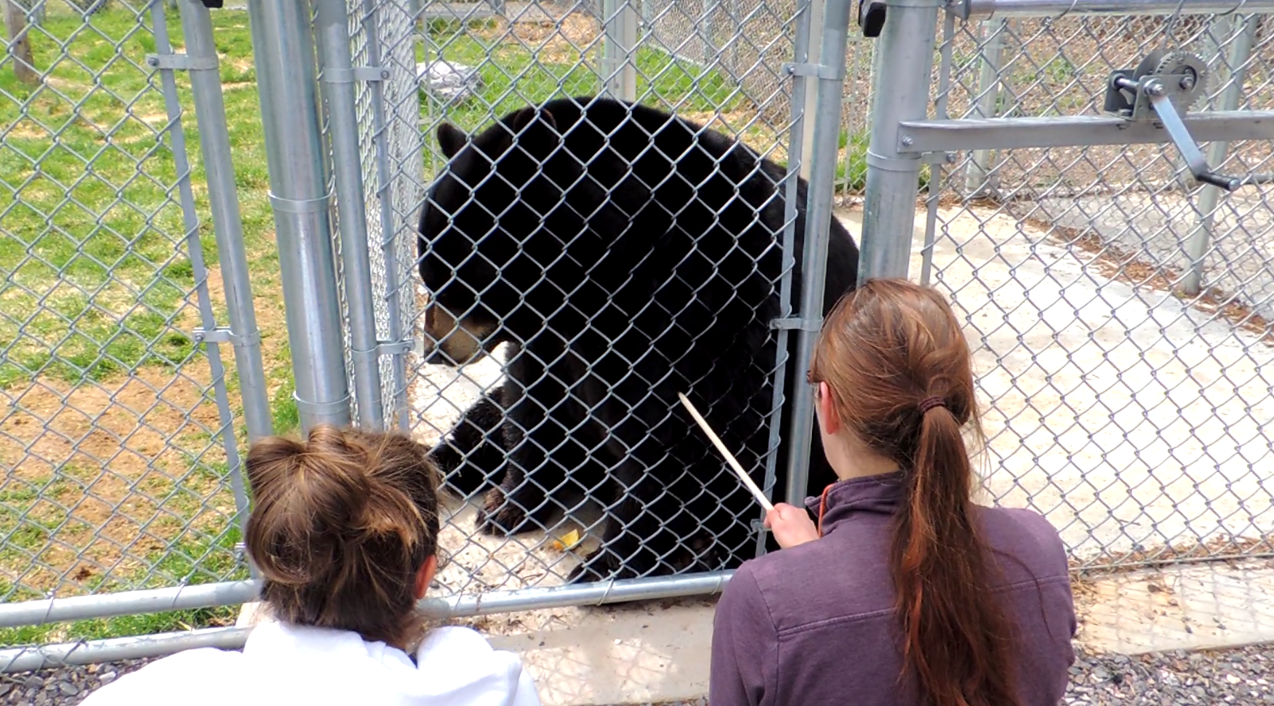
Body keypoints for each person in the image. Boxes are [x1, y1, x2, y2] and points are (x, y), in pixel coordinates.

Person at [709, 278, 1076, 706]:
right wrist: (814, 565)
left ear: (828, 405)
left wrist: (805, 576)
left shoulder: (765, 598)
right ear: (958, 401)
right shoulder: (1037, 547)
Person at [81, 425, 542, 706]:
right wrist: (455, 645)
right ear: (424, 576)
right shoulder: (483, 684)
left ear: (274, 567)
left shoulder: (171, 688)